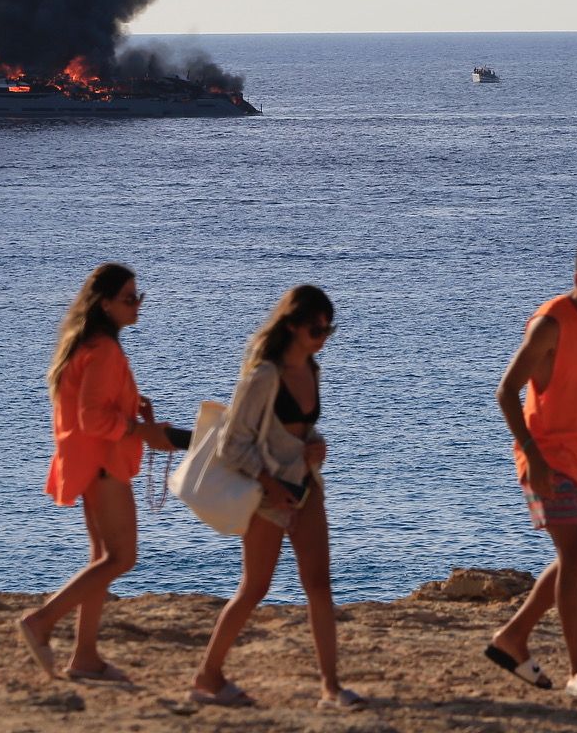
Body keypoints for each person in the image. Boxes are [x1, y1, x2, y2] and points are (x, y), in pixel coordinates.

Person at [190, 286, 363, 710]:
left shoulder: (313, 369)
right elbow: (232, 444)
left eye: (328, 328)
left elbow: (300, 430)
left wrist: (317, 444)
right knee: (254, 588)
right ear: (291, 325)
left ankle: (330, 688)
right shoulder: (264, 375)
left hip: (307, 488)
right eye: (315, 328)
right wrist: (269, 482)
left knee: (319, 585)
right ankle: (208, 677)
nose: (322, 336)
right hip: (268, 496)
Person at [20, 263, 181, 682]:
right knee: (122, 557)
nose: (138, 305)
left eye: (138, 296)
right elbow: (93, 417)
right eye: (129, 298)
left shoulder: (87, 343)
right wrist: (142, 430)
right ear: (105, 303)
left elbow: (89, 400)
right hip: (104, 463)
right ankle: (42, 621)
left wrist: (131, 401)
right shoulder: (105, 349)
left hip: (88, 461)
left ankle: (86, 657)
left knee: (101, 558)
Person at [485, 238, 577, 695]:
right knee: (572, 559)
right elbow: (506, 391)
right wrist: (532, 453)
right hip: (544, 457)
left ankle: (512, 638)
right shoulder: (549, 324)